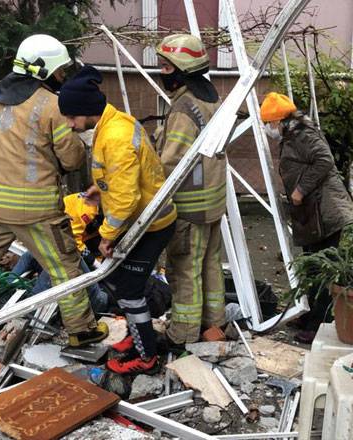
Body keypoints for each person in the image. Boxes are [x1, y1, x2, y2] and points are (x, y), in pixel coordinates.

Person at [0, 35, 108, 347]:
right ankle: (81, 330)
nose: (62, 77)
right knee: (64, 266)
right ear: (46, 71)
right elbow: (70, 158)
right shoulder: (53, 106)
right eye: (60, 71)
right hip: (37, 210)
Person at [59, 65, 177, 374]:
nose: (70, 124)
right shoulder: (110, 125)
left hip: (151, 225)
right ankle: (140, 338)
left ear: (85, 110)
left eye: (71, 117)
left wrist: (108, 236)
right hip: (140, 221)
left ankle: (147, 356)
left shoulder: (115, 136)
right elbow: (123, 177)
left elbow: (126, 199)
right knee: (115, 280)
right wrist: (100, 189)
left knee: (128, 288)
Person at [152, 34, 227, 351]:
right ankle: (215, 322)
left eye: (166, 67)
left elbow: (171, 160)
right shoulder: (211, 98)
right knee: (210, 265)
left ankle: (182, 333)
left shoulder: (184, 107)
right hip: (213, 202)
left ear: (181, 70)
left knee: (185, 270)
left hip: (189, 206)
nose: (162, 72)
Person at [260, 92, 353, 343]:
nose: (268, 129)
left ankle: (319, 324)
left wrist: (300, 190)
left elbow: (324, 160)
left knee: (321, 268)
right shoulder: (293, 136)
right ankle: (310, 314)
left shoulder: (302, 135)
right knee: (311, 264)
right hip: (315, 214)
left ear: (279, 120)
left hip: (327, 212)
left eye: (269, 124)